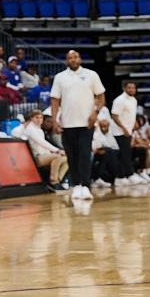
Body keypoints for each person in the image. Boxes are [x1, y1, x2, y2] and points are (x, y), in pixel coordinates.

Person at [50, 50, 105, 200]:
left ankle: (85, 186)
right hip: (67, 124)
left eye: (75, 57)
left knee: (85, 155)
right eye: (69, 58)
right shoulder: (60, 77)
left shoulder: (91, 75)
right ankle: (76, 186)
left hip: (86, 123)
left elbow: (101, 96)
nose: (73, 60)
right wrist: (54, 120)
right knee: (72, 157)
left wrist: (96, 113)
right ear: (66, 61)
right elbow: (55, 100)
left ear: (80, 59)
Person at [109, 82, 145, 185]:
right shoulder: (119, 100)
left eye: (133, 88)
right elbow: (114, 116)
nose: (131, 90)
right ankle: (130, 174)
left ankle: (120, 177)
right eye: (129, 87)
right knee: (125, 153)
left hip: (128, 130)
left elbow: (131, 116)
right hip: (119, 131)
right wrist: (123, 128)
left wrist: (133, 127)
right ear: (124, 88)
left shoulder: (134, 100)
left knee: (125, 153)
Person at [22, 109, 68, 188]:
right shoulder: (30, 129)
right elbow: (41, 142)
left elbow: (44, 145)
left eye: (40, 118)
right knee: (57, 157)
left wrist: (53, 153)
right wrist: (57, 151)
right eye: (37, 117)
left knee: (67, 159)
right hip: (36, 157)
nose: (39, 120)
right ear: (32, 118)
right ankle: (53, 181)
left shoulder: (39, 129)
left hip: (44, 155)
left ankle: (58, 180)